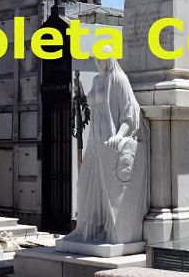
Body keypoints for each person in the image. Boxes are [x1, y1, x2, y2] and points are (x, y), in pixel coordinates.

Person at [65, 52, 148, 245]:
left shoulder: (119, 79)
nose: (98, 62)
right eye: (96, 58)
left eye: (101, 58)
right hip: (95, 140)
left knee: (108, 188)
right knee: (85, 185)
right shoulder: (96, 80)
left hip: (109, 139)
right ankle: (86, 230)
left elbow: (130, 111)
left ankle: (109, 231)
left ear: (109, 59)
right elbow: (92, 105)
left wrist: (119, 135)